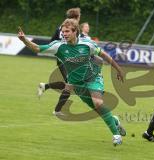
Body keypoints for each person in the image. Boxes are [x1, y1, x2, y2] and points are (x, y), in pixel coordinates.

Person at [18, 18, 125, 146]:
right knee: (98, 110)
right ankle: (115, 121)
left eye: (67, 31)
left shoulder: (87, 44)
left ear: (75, 31)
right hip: (77, 84)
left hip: (93, 78)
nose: (64, 34)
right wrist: (24, 40)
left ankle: (116, 135)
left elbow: (103, 55)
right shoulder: (59, 46)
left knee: (98, 102)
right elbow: (37, 48)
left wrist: (118, 70)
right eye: (63, 31)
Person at [37, 7, 81, 116]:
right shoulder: (72, 29)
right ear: (76, 17)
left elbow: (52, 41)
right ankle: (57, 110)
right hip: (65, 60)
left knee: (69, 84)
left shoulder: (60, 28)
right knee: (70, 85)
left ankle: (45, 86)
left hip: (65, 60)